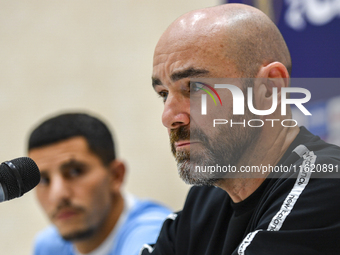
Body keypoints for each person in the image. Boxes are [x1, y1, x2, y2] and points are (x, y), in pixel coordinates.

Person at [140, 3, 340, 255]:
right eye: (164, 94)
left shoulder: (326, 186)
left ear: (269, 87)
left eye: (195, 88)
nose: (169, 117)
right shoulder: (203, 204)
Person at [27, 112, 171, 255]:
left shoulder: (155, 236)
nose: (58, 195)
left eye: (75, 172)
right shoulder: (48, 246)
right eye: (43, 180)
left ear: (116, 175)